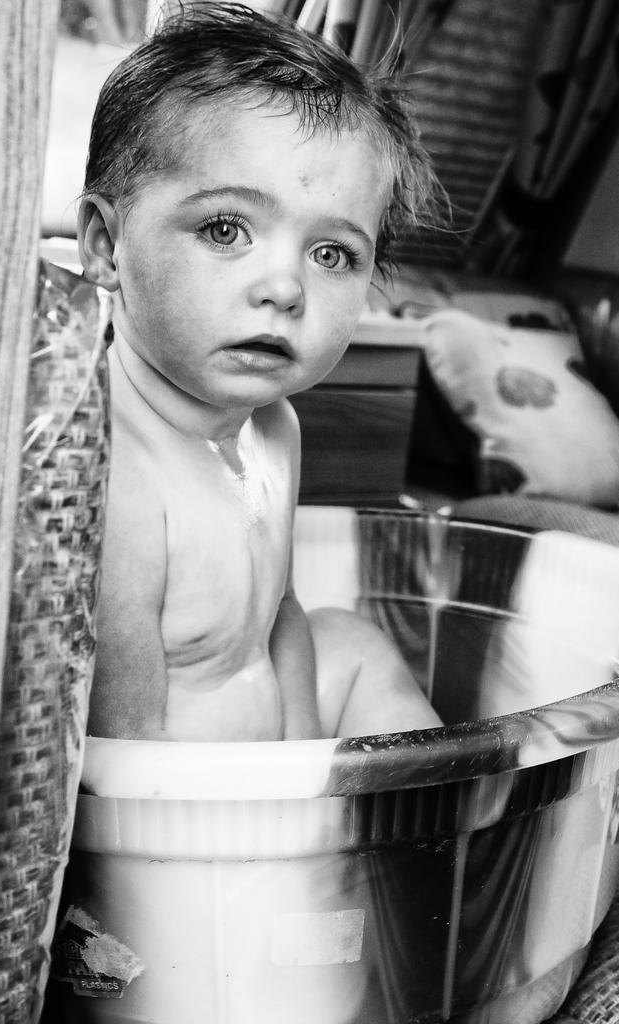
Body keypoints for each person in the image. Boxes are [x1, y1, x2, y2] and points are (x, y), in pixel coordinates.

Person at [78, 1, 444, 742]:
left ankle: (434, 831)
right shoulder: (115, 478)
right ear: (105, 247)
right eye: (224, 229)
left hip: (272, 772)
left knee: (351, 639)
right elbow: (123, 763)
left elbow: (279, 614)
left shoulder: (275, 426)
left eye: (332, 254)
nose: (286, 288)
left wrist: (311, 771)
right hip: (187, 825)